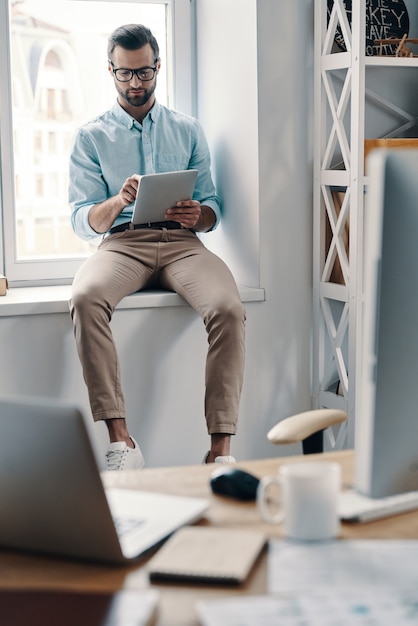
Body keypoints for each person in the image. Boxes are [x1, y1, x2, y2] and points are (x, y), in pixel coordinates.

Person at [69, 24, 245, 471]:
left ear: (158, 67)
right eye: (124, 74)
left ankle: (220, 452)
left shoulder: (187, 130)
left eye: (144, 73)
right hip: (122, 245)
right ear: (110, 71)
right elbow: (81, 220)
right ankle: (121, 442)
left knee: (227, 307)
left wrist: (198, 215)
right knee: (86, 297)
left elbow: (212, 206)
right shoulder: (92, 137)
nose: (135, 84)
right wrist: (118, 201)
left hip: (182, 244)